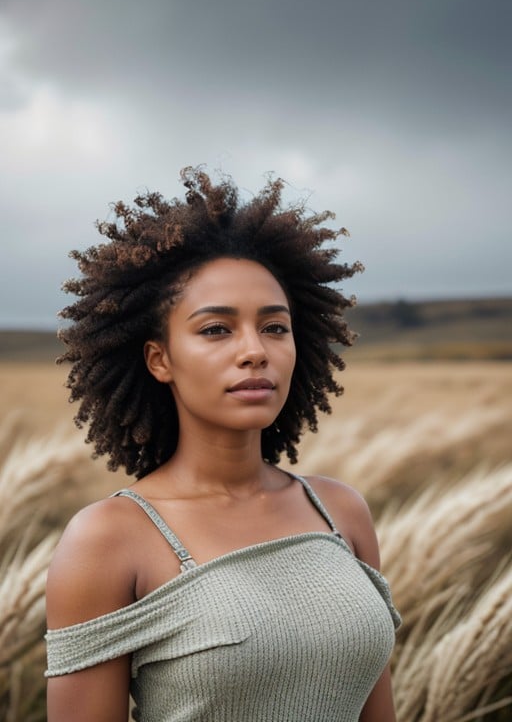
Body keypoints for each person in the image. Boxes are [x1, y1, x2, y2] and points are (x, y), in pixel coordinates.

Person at [45, 167, 401, 722]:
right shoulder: (109, 540)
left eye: (275, 327)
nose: (255, 351)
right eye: (216, 329)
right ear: (159, 360)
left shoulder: (340, 513)